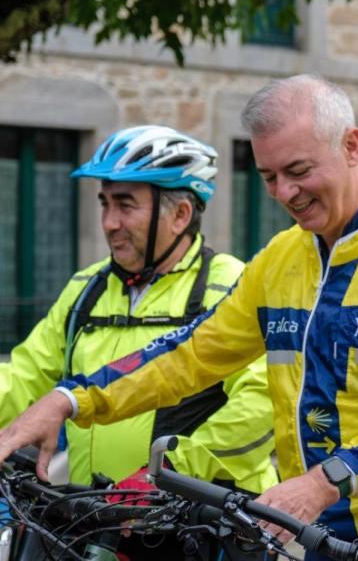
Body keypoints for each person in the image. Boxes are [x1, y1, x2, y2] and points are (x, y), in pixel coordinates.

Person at [0, 75, 358, 560]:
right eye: (268, 176)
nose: (285, 193)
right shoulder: (280, 258)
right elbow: (190, 353)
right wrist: (68, 400)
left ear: (351, 146)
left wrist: (322, 482)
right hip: (318, 529)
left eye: (298, 170)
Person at [0, 125, 278, 557]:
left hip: (204, 531)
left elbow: (261, 405)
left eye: (125, 205)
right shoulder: (85, 290)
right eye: (105, 203)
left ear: (180, 215)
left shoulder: (229, 287)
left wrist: (164, 473)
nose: (110, 223)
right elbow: (25, 375)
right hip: (96, 528)